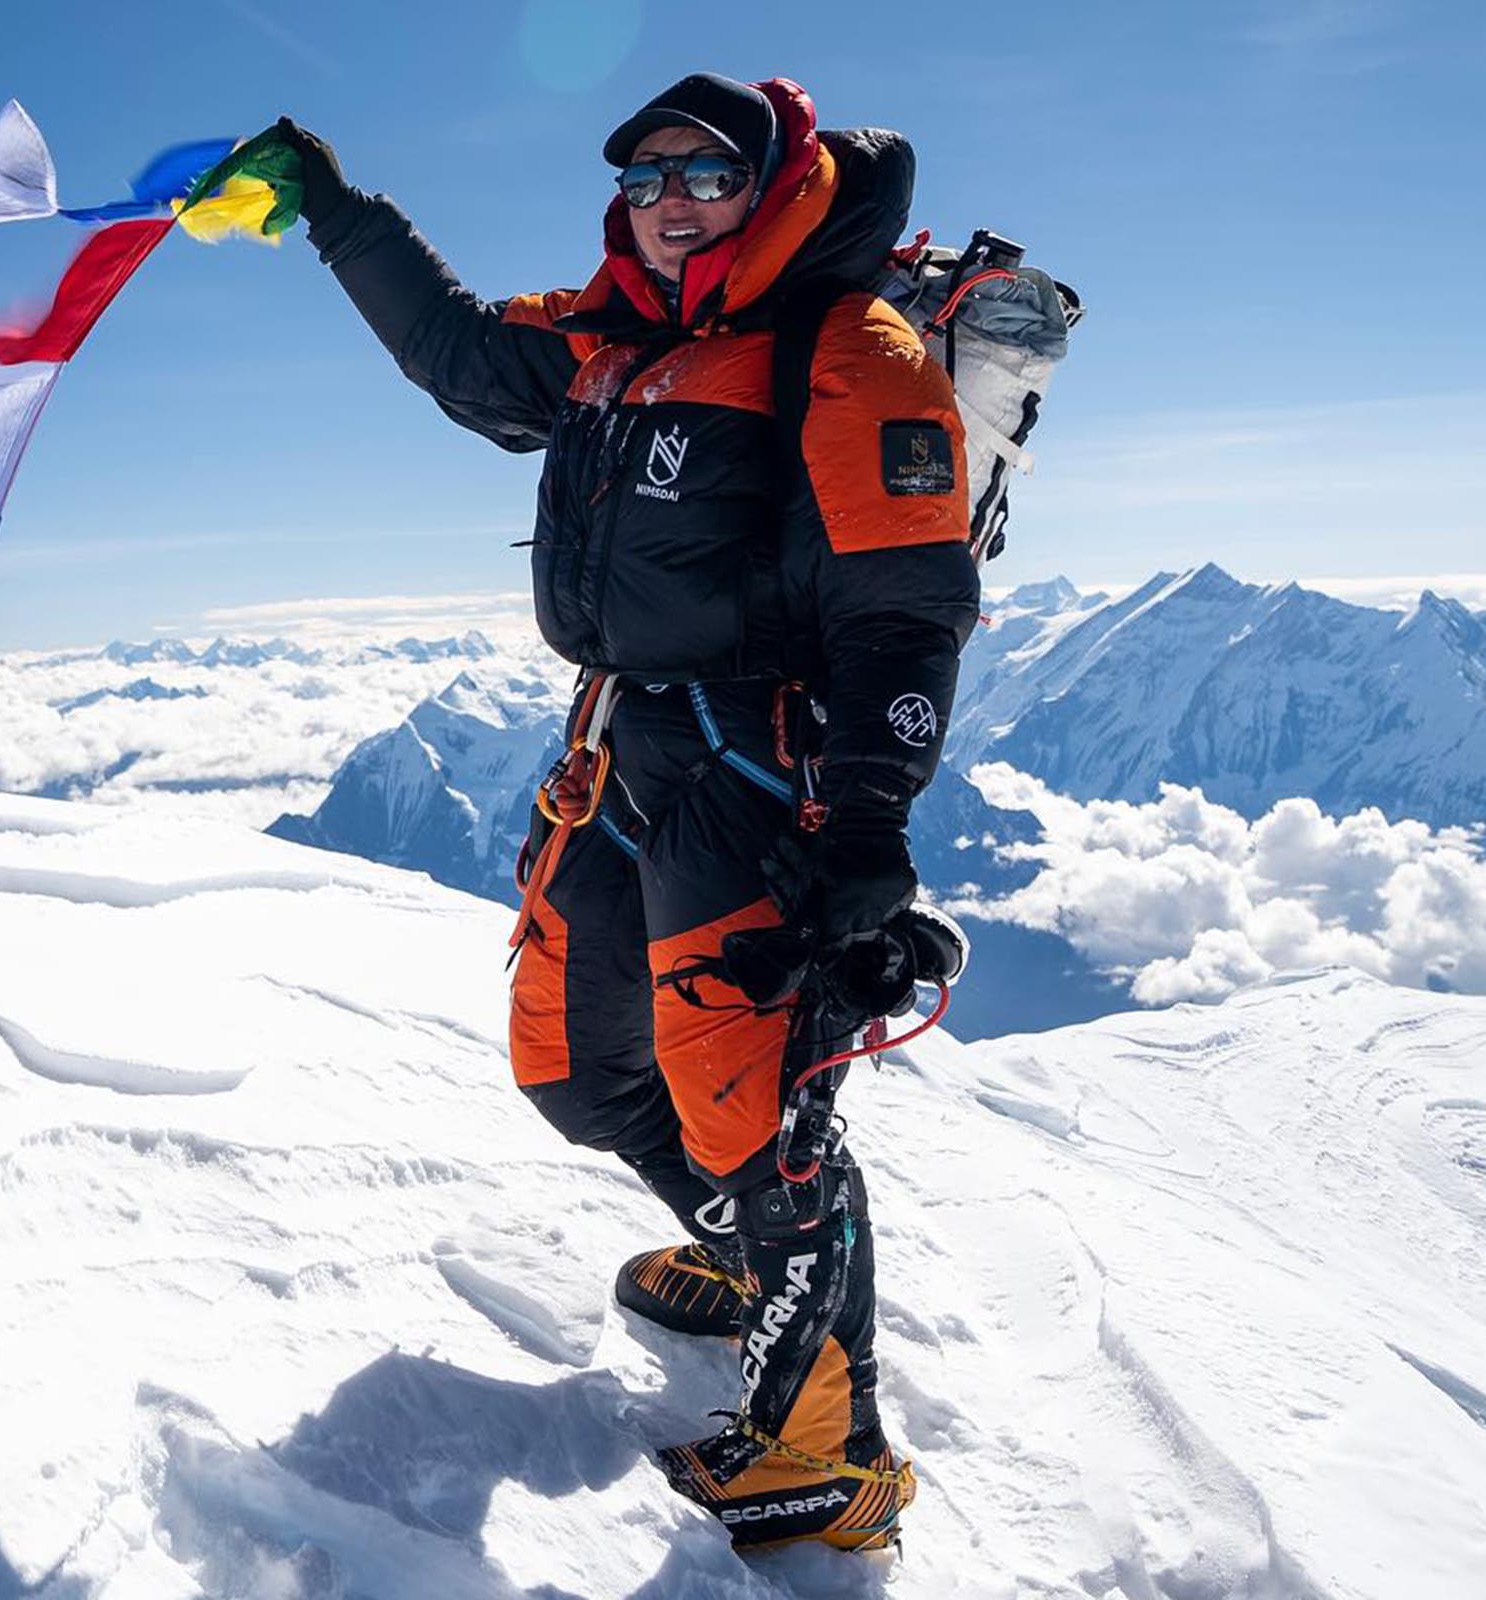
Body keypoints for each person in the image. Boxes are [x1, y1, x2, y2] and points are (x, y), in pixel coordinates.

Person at [255, 74, 978, 1555]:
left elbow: (906, 611)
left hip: (763, 769)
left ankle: (831, 1462)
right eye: (646, 181)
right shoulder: (617, 334)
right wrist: (335, 213)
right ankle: (747, 1256)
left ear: (771, 184)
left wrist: (866, 824)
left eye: (703, 174)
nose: (668, 204)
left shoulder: (848, 347)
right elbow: (460, 354)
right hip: (624, 746)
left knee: (755, 1110)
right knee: (578, 1067)